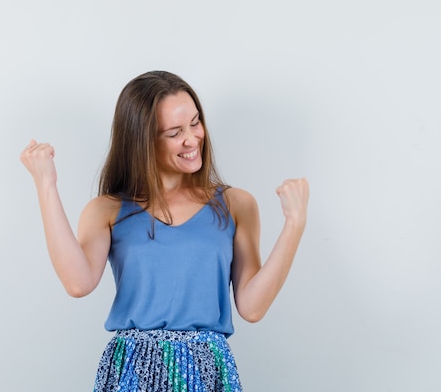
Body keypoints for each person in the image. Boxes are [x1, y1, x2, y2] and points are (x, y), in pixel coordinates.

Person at [20, 70, 309, 392]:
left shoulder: (235, 204)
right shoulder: (108, 209)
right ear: (142, 141)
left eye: (195, 123)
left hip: (206, 368)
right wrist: (46, 185)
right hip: (132, 369)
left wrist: (294, 225)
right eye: (174, 132)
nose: (192, 139)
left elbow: (252, 308)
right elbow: (77, 283)